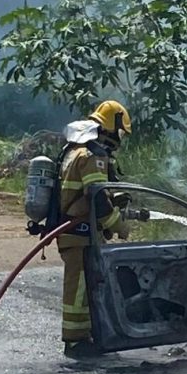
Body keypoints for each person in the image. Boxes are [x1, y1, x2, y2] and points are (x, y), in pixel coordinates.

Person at [57, 100, 132, 359]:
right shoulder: (93, 155)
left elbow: (91, 194)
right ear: (111, 126)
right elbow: (97, 198)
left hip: (77, 229)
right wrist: (118, 225)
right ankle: (75, 342)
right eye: (119, 132)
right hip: (79, 232)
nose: (119, 139)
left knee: (84, 287)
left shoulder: (76, 149)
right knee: (78, 289)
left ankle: (85, 337)